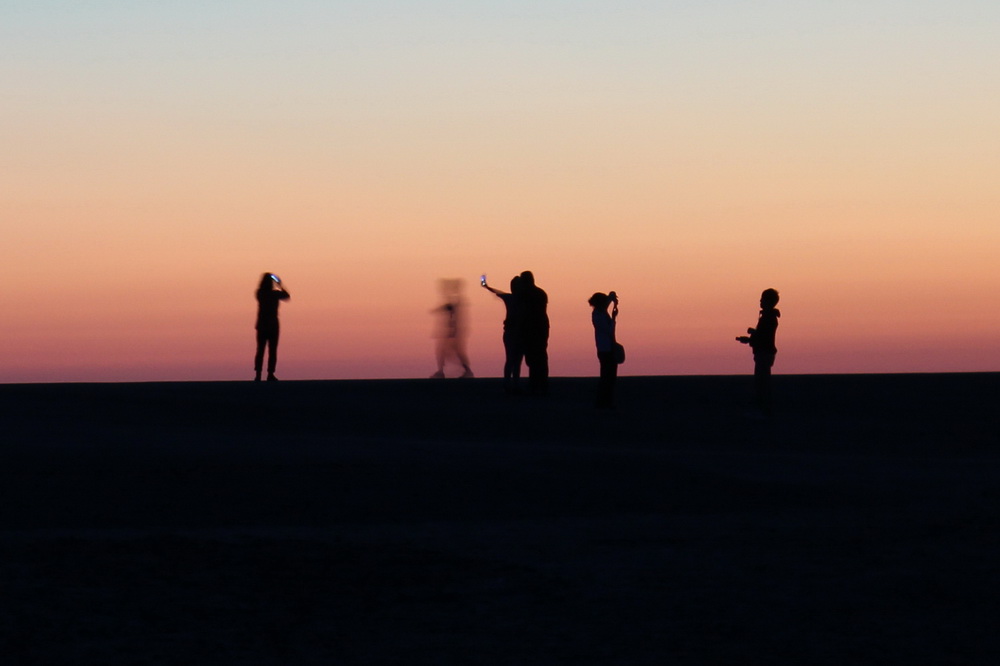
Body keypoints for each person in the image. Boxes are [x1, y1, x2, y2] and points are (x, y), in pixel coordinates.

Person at [736, 288, 780, 415]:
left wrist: (751, 338)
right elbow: (763, 336)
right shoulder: (769, 317)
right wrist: (752, 337)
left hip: (764, 353)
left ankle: (764, 411)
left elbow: (764, 337)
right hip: (765, 352)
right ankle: (764, 410)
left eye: (762, 299)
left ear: (768, 301)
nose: (760, 301)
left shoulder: (768, 318)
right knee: (762, 381)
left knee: (762, 382)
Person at [482, 275, 524, 394]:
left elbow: (498, 292)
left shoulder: (509, 298)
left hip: (512, 332)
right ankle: (513, 385)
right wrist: (487, 287)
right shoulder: (521, 299)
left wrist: (486, 286)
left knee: (512, 360)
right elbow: (498, 292)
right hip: (516, 332)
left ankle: (509, 384)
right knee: (515, 360)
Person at [431, 279, 474, 379]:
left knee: (447, 352)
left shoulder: (456, 300)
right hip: (453, 332)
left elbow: (450, 309)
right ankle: (442, 371)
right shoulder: (455, 300)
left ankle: (443, 372)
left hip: (453, 332)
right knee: (447, 352)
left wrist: (452, 331)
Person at [254, 273, 290, 382]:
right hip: (272, 325)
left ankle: (259, 374)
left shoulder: (260, 293)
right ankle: (269, 374)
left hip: (262, 325)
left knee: (260, 350)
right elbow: (287, 296)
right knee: (272, 351)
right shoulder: (274, 294)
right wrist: (279, 284)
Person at [519, 271, 549, 395]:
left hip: (531, 328)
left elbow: (524, 311)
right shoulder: (541, 293)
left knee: (532, 357)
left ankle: (534, 383)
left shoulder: (525, 294)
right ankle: (542, 383)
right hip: (542, 326)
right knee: (541, 356)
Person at [589, 291, 619, 409]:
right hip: (605, 349)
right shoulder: (598, 315)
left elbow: (606, 302)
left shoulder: (599, 312)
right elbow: (608, 330)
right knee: (608, 376)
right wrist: (613, 319)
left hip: (605, 348)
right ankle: (604, 402)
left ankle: (604, 401)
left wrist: (611, 297)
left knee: (608, 376)